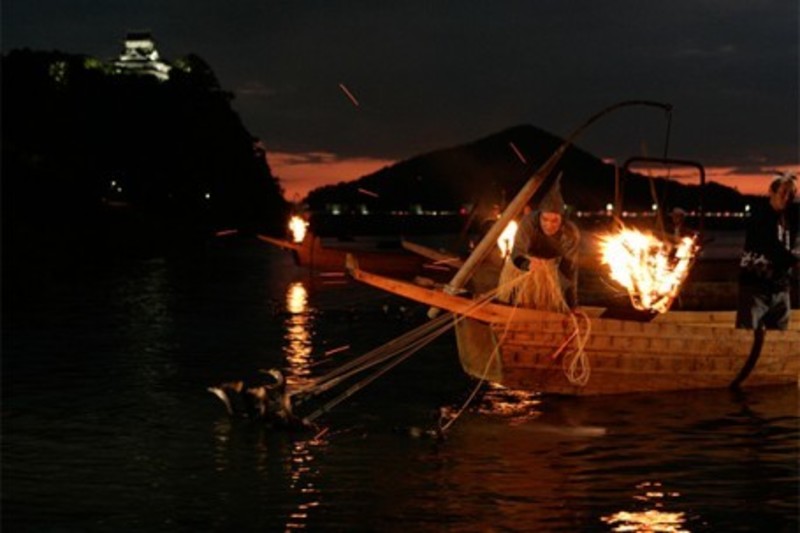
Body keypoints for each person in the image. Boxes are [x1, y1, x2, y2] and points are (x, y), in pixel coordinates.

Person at [497, 178, 580, 312]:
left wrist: (573, 305)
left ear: (562, 219)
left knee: (547, 305)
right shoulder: (528, 223)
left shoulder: (570, 233)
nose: (549, 225)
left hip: (548, 272)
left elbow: (570, 269)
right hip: (523, 267)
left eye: (554, 221)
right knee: (514, 301)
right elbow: (516, 253)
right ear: (539, 215)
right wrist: (527, 264)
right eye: (545, 219)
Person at [735, 173, 799, 330]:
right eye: (783, 192)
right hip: (756, 287)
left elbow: (788, 247)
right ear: (771, 191)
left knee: (778, 339)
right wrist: (794, 262)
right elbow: (770, 245)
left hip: (780, 289)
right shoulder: (760, 217)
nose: (787, 198)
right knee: (748, 335)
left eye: (791, 194)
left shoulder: (789, 219)